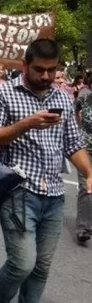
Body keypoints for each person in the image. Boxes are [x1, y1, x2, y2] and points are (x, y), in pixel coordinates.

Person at [0, 39, 92, 302]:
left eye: (51, 70)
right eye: (39, 70)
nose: (46, 76)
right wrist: (27, 123)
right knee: (22, 264)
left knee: (41, 267)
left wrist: (89, 174)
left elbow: (73, 144)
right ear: (25, 66)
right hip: (18, 192)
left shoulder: (64, 99)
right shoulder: (3, 93)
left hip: (54, 195)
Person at [75, 88, 92, 244]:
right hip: (85, 151)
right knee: (86, 188)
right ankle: (83, 229)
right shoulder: (84, 98)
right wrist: (79, 130)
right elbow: (74, 112)